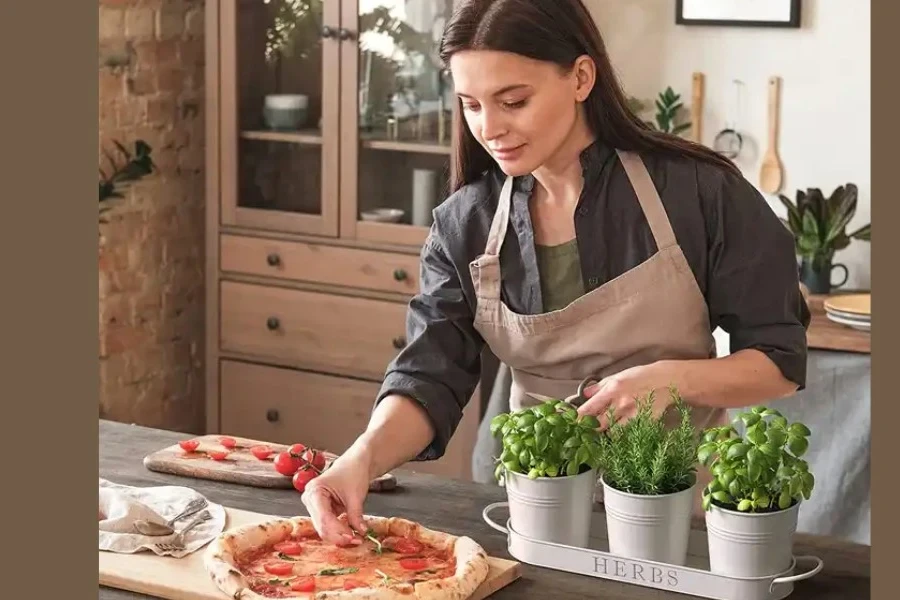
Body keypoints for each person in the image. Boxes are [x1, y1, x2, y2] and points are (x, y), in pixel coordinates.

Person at [301, 0, 810, 546]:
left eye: (513, 101)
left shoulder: (699, 192)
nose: (489, 128)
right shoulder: (464, 223)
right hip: (535, 504)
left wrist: (671, 380)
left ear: (581, 77)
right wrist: (359, 460)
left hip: (678, 513)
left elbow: (779, 361)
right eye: (470, 105)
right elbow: (430, 375)